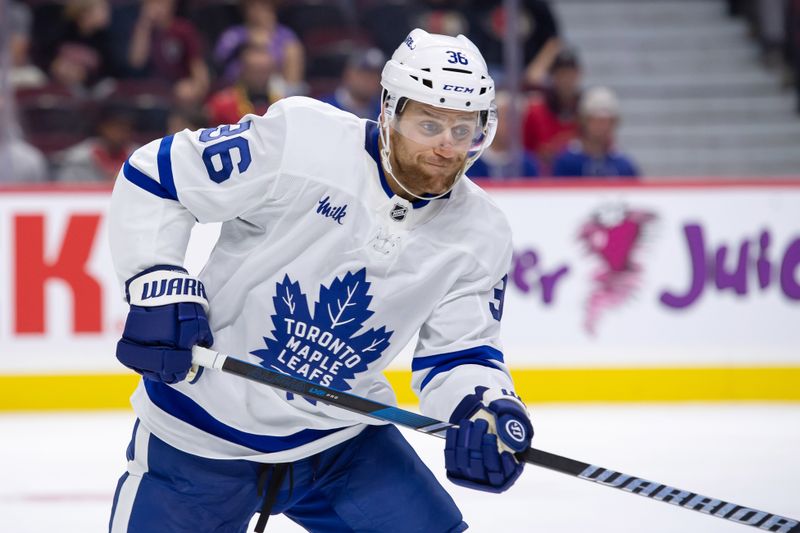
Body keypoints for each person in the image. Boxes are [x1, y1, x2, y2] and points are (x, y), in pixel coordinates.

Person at [108, 28, 533, 532]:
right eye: (428, 124)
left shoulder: (480, 230)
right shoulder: (303, 139)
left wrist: (483, 405)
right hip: (199, 434)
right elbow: (157, 176)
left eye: (462, 131)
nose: (446, 147)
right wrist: (156, 276)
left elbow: (460, 353)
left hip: (340, 443)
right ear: (391, 110)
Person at [127, 0, 210, 108]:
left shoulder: (183, 30)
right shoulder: (142, 31)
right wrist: (144, 25)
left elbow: (200, 73)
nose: (156, 8)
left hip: (177, 92)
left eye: (160, 3)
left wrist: (195, 87)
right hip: (153, 93)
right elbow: (136, 61)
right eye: (151, 4)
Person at [214, 0, 305, 96]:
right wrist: (249, 42)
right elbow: (220, 61)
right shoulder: (234, 34)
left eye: (264, 5)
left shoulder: (286, 35)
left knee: (292, 51)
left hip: (277, 91)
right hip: (238, 91)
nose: (257, 10)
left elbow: (293, 76)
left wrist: (269, 35)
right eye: (252, 5)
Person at [552, 86, 639, 179]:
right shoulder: (567, 162)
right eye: (597, 121)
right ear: (584, 121)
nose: (603, 127)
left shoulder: (624, 165)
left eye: (608, 121)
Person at [523, 47, 582, 174]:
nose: (566, 80)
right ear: (552, 76)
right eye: (561, 74)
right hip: (542, 179)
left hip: (578, 178)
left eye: (570, 74)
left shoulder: (586, 111)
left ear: (578, 75)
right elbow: (525, 151)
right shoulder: (535, 111)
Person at [55, 103, 137, 182]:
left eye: (126, 127)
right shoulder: (76, 158)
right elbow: (66, 192)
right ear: (102, 127)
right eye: (115, 126)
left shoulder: (139, 158)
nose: (120, 132)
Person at [206, 39, 279, 125]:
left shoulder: (281, 104)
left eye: (264, 71)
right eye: (254, 71)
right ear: (242, 69)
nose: (260, 78)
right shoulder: (221, 105)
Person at [470, 91, 540, 179]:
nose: (513, 125)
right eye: (507, 118)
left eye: (517, 119)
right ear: (491, 120)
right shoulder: (470, 161)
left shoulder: (527, 164)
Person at [317, 47, 384, 119]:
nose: (369, 80)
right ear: (348, 74)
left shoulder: (384, 112)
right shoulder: (323, 107)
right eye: (363, 73)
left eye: (375, 75)